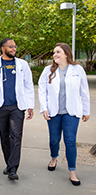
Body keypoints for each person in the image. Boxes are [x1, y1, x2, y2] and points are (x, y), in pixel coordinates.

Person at [0, 38, 34, 180]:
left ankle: (13, 169)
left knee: (16, 137)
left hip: (17, 107)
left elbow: (29, 85)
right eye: (11, 46)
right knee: (4, 137)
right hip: (0, 106)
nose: (14, 49)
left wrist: (30, 105)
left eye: (15, 46)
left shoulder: (23, 65)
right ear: (2, 49)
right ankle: (9, 164)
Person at [38, 43, 90, 186]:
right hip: (54, 112)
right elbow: (42, 89)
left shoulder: (77, 69)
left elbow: (84, 91)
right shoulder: (48, 70)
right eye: (54, 52)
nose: (55, 55)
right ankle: (54, 158)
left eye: (58, 52)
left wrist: (86, 111)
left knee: (70, 141)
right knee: (54, 140)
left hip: (71, 113)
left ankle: (72, 172)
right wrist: (44, 107)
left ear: (66, 54)